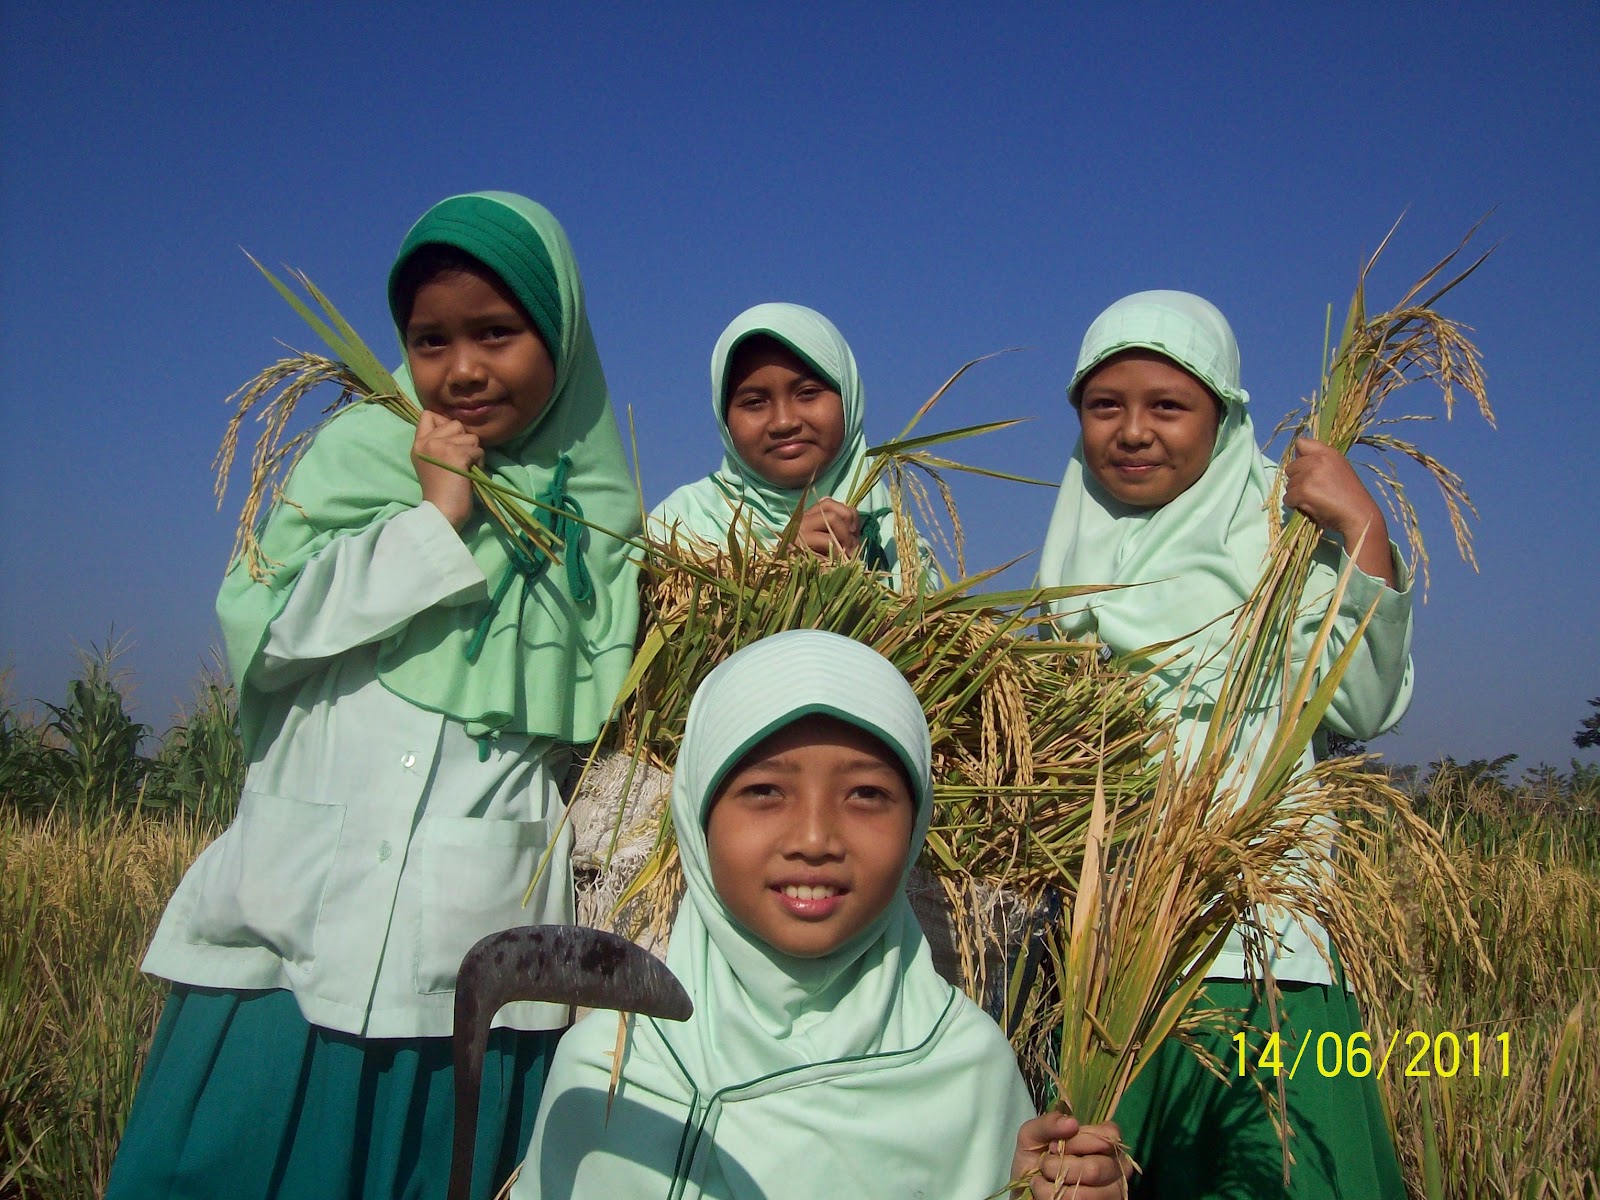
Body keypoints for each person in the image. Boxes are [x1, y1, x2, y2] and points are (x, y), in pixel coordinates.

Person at [105, 192, 642, 1200]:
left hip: (464, 965)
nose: (462, 367)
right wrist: (433, 523)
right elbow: (262, 636)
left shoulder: (596, 524)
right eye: (429, 339)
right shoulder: (362, 457)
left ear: (561, 336)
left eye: (497, 332)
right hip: (283, 938)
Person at [510, 629, 1128, 1199]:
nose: (813, 838)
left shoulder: (968, 1069)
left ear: (916, 826)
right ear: (698, 819)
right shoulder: (611, 1071)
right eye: (764, 791)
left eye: (866, 795)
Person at [1038, 290, 1412, 1198]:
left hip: (1263, 956)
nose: (1132, 432)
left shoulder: (1280, 532)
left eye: (1168, 406)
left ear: (1224, 414)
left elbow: (1360, 706)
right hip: (1105, 963)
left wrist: (1362, 534)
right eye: (1104, 406)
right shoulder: (1070, 551)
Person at [650, 302, 914, 581]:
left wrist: (858, 579)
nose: (784, 422)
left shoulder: (895, 538)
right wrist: (778, 573)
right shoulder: (677, 528)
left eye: (808, 393)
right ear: (724, 418)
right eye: (754, 402)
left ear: (849, 398)